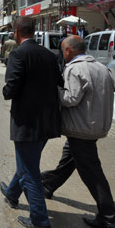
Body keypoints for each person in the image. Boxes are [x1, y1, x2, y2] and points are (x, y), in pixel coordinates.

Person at [41, 35, 115, 228]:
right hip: (95, 126)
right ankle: (48, 185)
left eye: (63, 50)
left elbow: (69, 99)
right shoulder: (101, 67)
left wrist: (51, 89)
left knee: (91, 171)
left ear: (68, 51)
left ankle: (108, 215)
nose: (62, 54)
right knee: (69, 158)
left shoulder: (75, 68)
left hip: (81, 129)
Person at [0, 16, 61, 228]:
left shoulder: (18, 54)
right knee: (27, 163)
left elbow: (11, 89)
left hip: (27, 123)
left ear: (16, 32)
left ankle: (40, 221)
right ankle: (11, 193)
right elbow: (59, 83)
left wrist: (5, 91)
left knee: (29, 172)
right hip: (47, 122)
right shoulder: (48, 55)